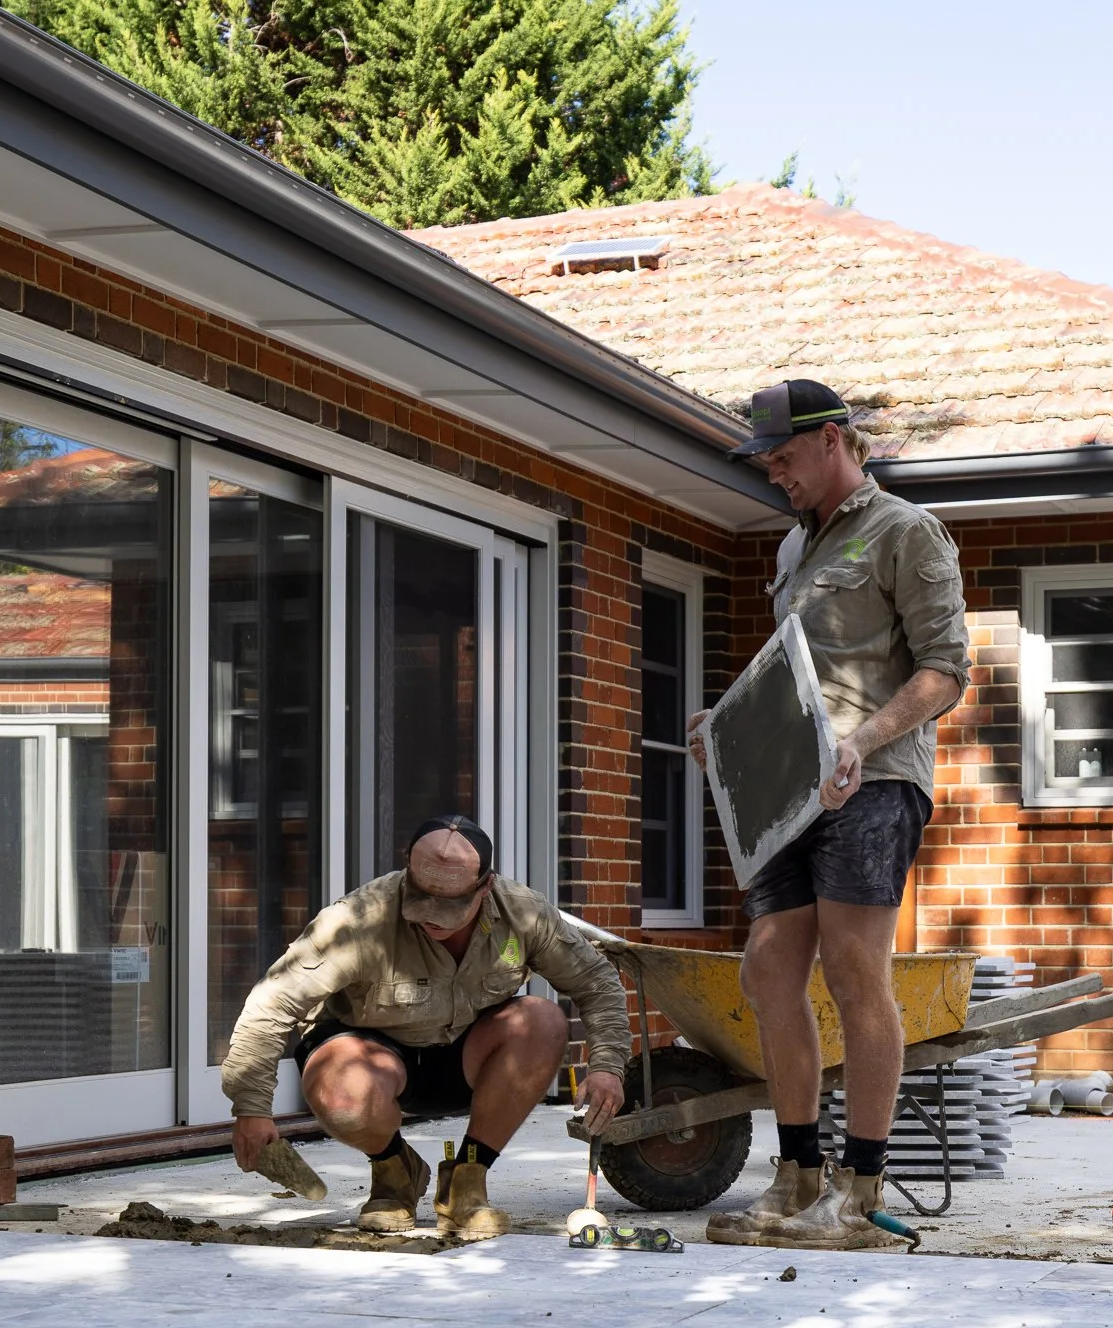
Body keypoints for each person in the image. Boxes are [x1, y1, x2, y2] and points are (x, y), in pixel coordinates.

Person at [689, 380, 969, 1250]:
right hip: (793, 790)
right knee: (770, 968)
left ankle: (861, 1188)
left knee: (854, 971)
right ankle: (795, 1176)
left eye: (783, 457)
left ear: (837, 439)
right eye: (766, 463)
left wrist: (864, 739)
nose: (775, 475)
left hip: (876, 779)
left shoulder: (906, 532)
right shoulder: (788, 551)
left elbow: (945, 671)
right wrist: (730, 721)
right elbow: (798, 675)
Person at [221, 815, 630, 1240]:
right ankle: (395, 1170)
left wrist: (607, 1068)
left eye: (450, 905)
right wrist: (251, 1108)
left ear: (484, 886)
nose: (432, 917)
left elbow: (598, 985)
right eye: (421, 898)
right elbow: (272, 1003)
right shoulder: (358, 919)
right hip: (367, 1052)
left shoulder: (522, 913)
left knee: (542, 1020)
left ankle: (467, 1180)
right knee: (343, 1089)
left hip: (466, 1056)